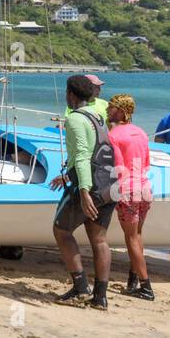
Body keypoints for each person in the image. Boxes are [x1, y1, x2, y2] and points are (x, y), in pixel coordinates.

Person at [50, 74, 111, 308]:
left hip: (88, 184)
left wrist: (84, 191)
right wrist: (66, 174)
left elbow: (84, 156)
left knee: (61, 230)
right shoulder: (98, 116)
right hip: (108, 183)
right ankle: (100, 297)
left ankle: (80, 287)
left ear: (71, 94)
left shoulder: (74, 119)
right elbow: (98, 151)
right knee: (99, 239)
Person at [106, 94, 155, 301]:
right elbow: (145, 163)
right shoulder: (141, 133)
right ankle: (133, 280)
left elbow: (116, 167)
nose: (107, 109)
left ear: (119, 111)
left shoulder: (113, 135)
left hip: (127, 191)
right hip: (144, 188)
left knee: (131, 238)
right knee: (138, 236)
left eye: (111, 107)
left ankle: (146, 287)